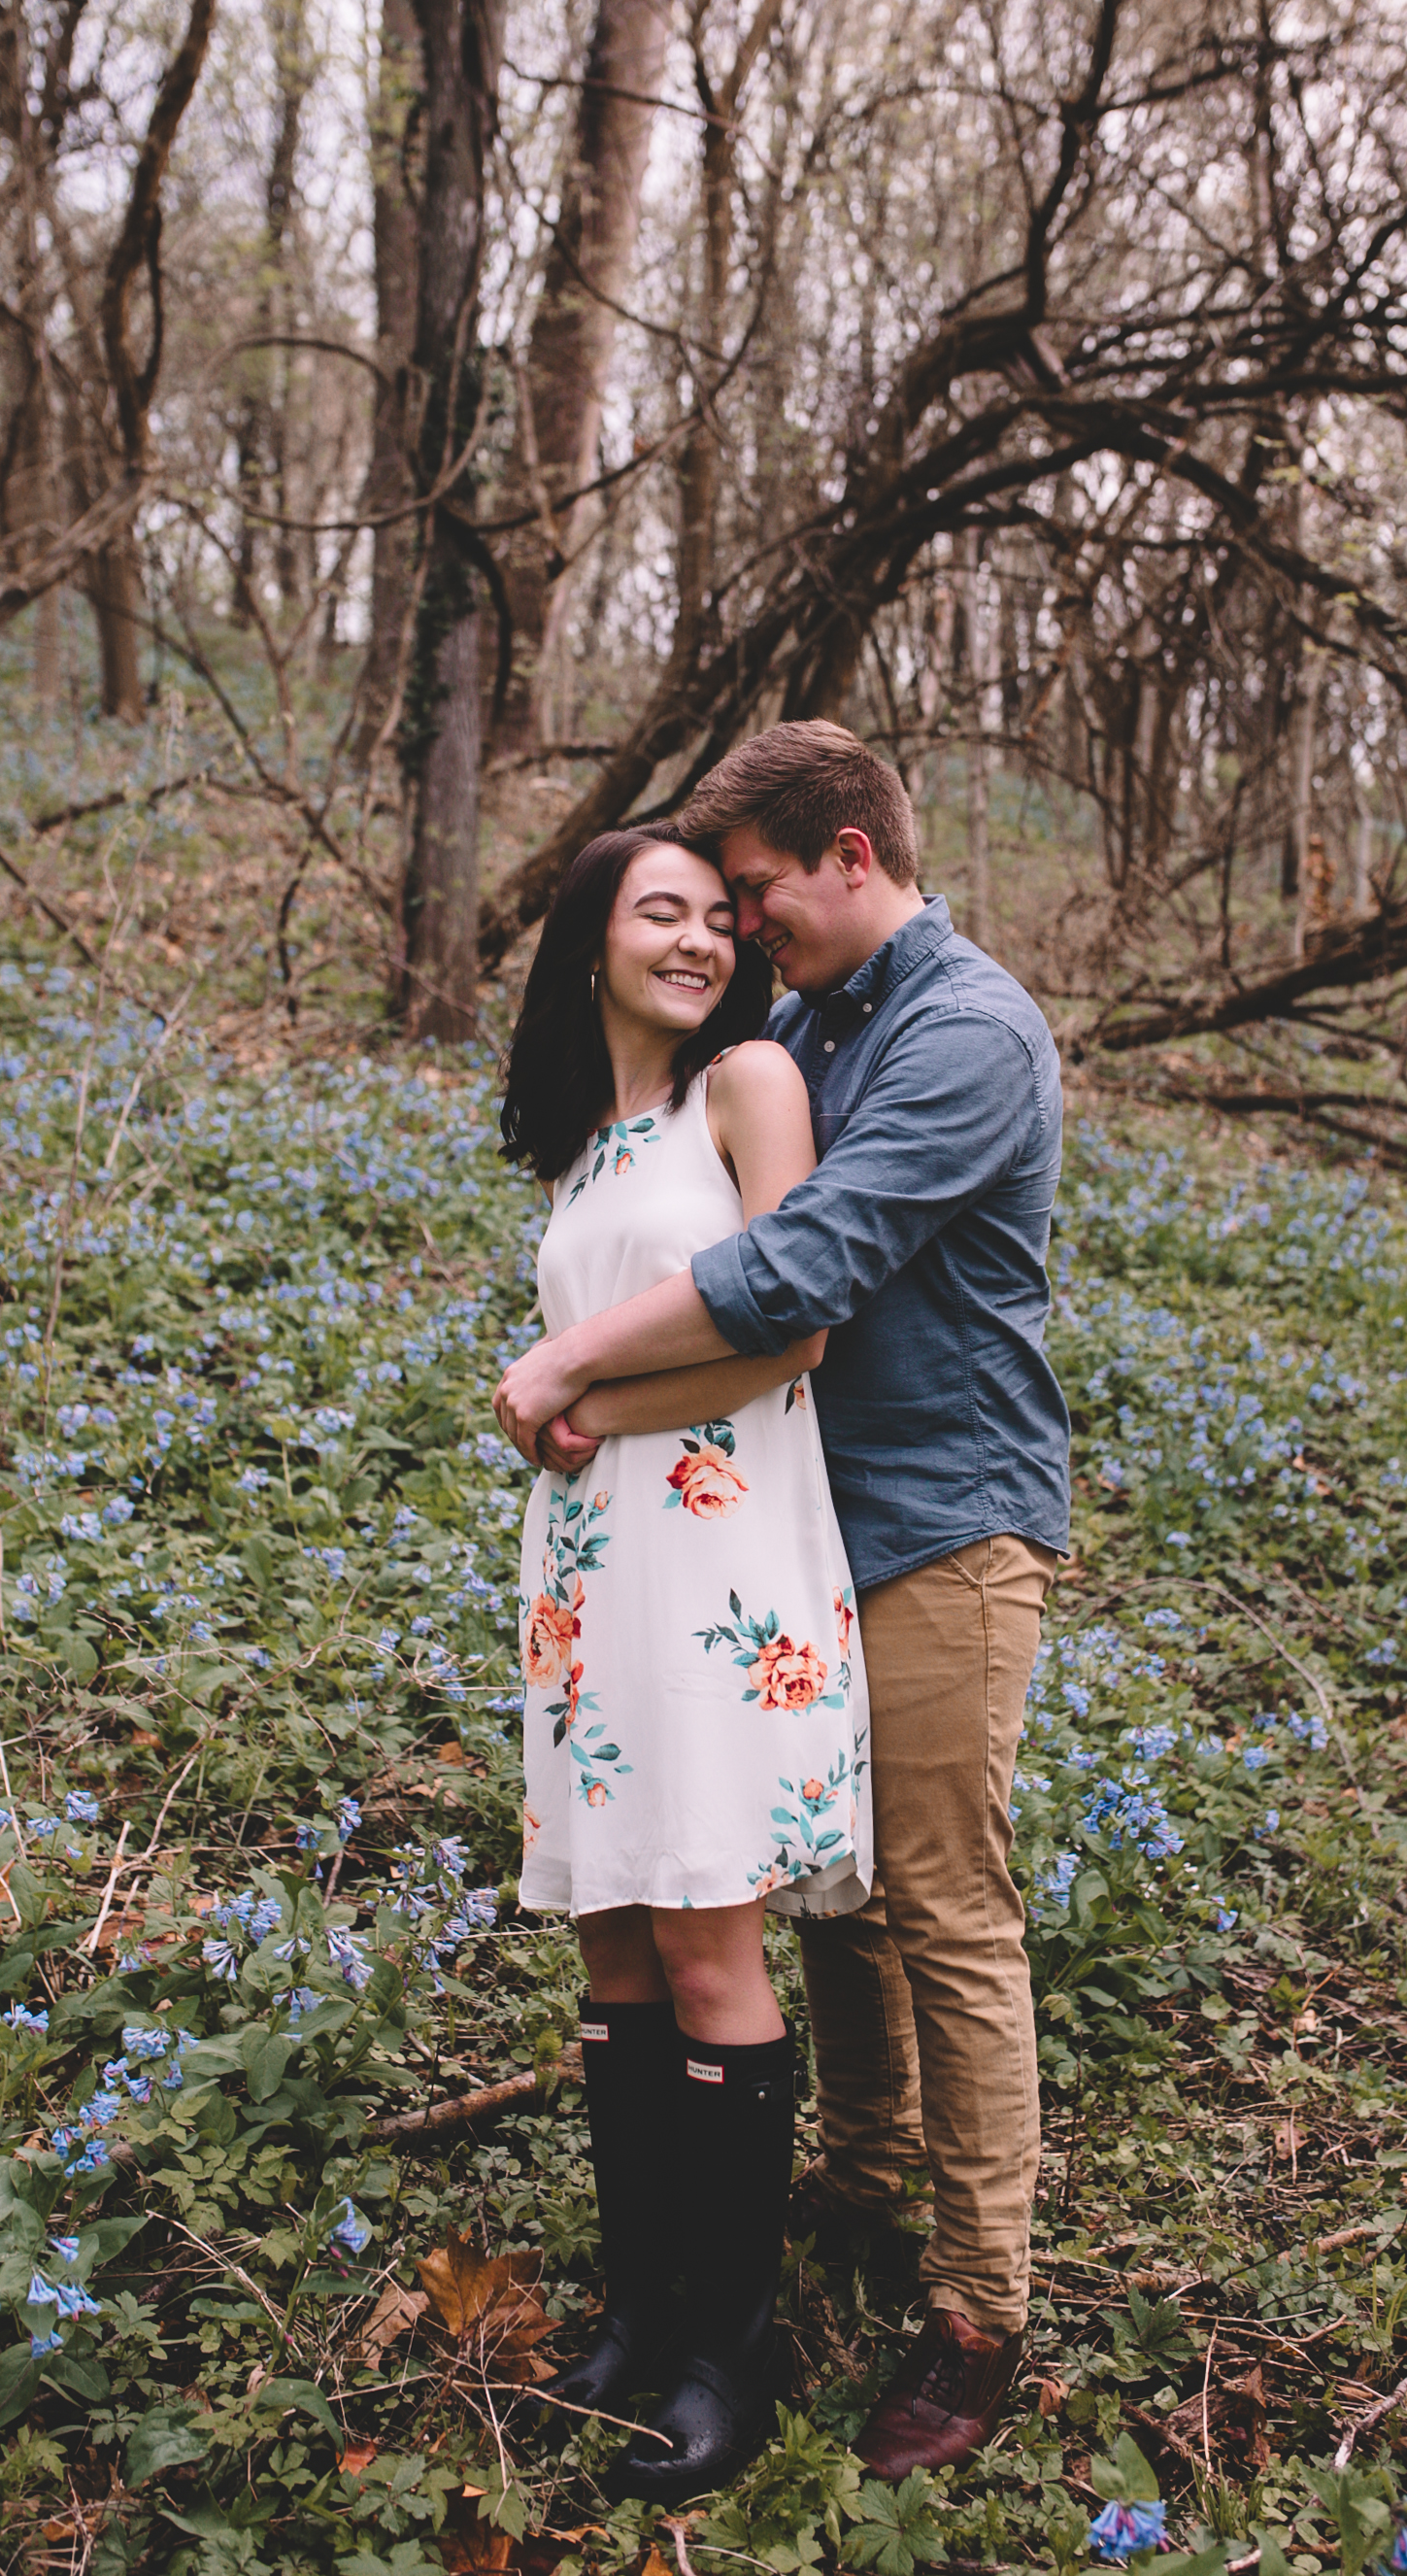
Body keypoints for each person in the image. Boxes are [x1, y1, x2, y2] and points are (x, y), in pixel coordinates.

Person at [496, 723, 1071, 2480]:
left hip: (942, 1520)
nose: (739, 932)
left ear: (844, 850)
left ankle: (977, 2317)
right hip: (808, 1519)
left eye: (751, 895)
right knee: (828, 1900)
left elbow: (808, 1267)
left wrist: (573, 1363)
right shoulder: (806, 1022)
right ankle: (862, 2187)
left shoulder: (963, 1028)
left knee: (943, 1911)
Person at [499, 827, 874, 2502]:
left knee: (713, 1947)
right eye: (664, 912)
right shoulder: (585, 1140)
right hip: (589, 1575)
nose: (706, 940)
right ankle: (638, 2312)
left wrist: (577, 1410)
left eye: (721, 917)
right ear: (591, 940)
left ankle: (733, 2348)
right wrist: (566, 1432)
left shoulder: (748, 1089)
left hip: (716, 1552)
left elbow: (791, 1327)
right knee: (617, 1957)